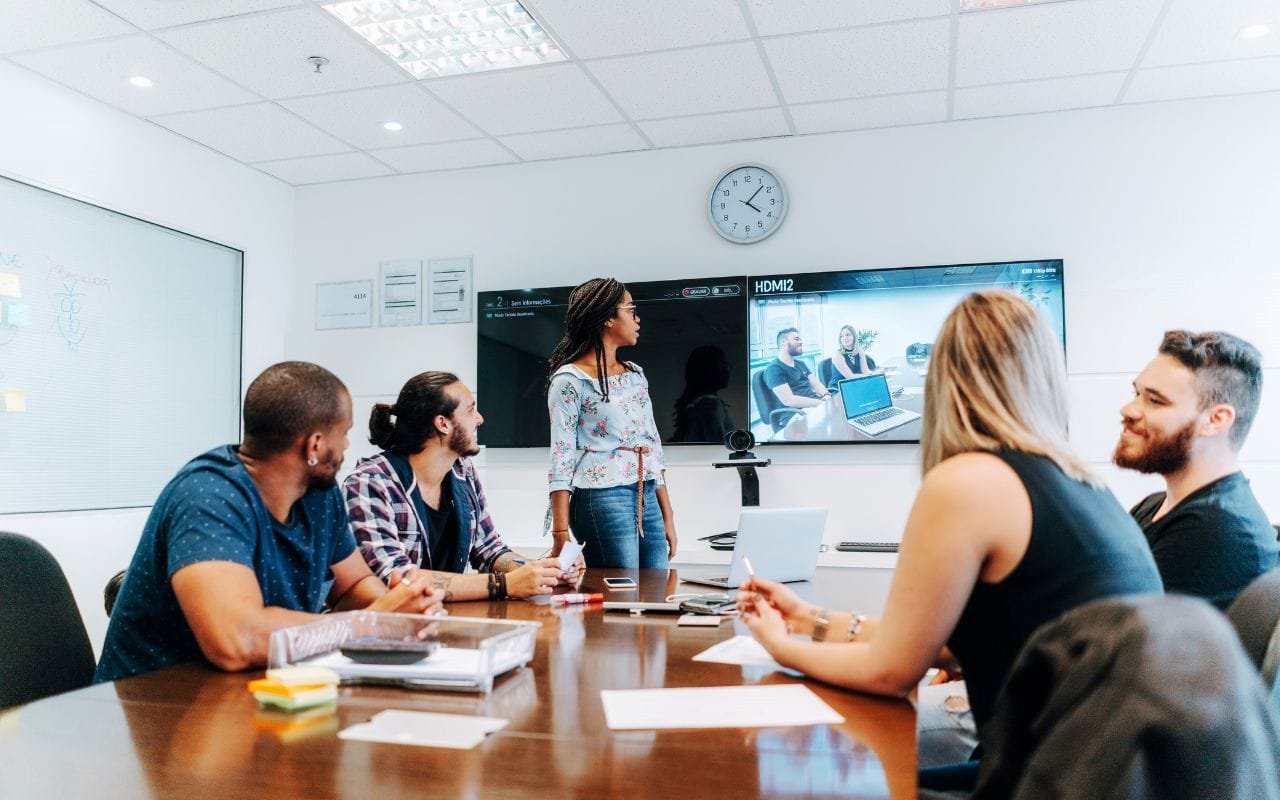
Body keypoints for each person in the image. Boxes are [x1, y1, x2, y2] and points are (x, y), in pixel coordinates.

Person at [736, 291, 1162, 788]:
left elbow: (891, 670)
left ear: (945, 378)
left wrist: (778, 646)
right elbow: (934, 644)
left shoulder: (970, 481)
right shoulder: (1078, 480)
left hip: (1045, 779)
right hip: (1108, 772)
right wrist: (808, 618)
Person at [95, 362, 442, 683]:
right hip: (152, 710)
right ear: (316, 444)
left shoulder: (319, 495)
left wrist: (399, 610)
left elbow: (353, 586)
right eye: (345, 433)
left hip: (248, 697)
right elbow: (236, 641)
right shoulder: (208, 496)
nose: (347, 445)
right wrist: (372, 622)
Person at [344, 371, 580, 601]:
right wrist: (503, 584)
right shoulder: (370, 483)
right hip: (394, 631)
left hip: (443, 621)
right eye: (470, 410)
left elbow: (489, 549)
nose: (480, 419)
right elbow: (397, 579)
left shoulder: (463, 472)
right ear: (443, 423)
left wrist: (540, 572)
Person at [1114, 330, 1278, 610]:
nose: (1128, 410)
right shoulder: (1155, 506)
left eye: (1155, 400)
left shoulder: (1215, 534)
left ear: (1215, 419)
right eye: (1136, 393)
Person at [547, 277, 677, 568]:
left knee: (657, 592)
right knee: (618, 595)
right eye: (631, 310)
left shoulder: (635, 375)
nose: (637, 318)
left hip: (647, 494)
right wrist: (559, 531)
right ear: (608, 317)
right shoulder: (570, 380)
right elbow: (561, 455)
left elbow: (653, 446)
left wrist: (668, 514)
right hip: (602, 497)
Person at [671, 344, 736, 443]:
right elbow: (719, 449)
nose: (728, 369)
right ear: (708, 370)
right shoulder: (710, 405)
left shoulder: (697, 403)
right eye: (723, 364)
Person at [765, 327, 830, 408]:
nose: (801, 342)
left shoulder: (801, 364)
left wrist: (826, 395)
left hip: (813, 405)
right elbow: (789, 400)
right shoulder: (774, 369)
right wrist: (820, 403)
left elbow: (816, 384)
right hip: (795, 412)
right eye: (796, 339)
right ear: (783, 342)